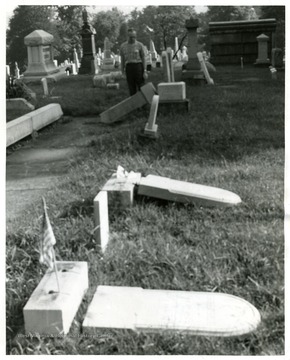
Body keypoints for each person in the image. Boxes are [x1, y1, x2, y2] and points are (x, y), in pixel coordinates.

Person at [120, 28, 147, 96]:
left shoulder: (140, 45)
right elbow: (122, 60)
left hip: (138, 66)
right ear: (127, 36)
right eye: (131, 37)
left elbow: (143, 58)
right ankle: (135, 104)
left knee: (142, 86)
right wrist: (122, 72)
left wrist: (145, 71)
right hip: (129, 67)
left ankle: (143, 104)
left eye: (134, 37)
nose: (133, 39)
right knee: (131, 88)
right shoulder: (123, 46)